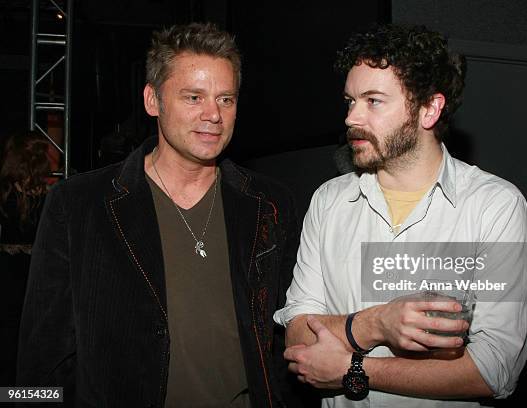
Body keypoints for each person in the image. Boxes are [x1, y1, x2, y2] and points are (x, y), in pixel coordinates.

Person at [17, 22, 308, 407]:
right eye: (193, 97)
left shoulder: (271, 205)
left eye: (226, 99)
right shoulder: (78, 205)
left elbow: (285, 341)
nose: (213, 115)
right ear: (152, 100)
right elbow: (39, 365)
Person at [274, 24, 527, 407]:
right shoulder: (328, 202)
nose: (351, 117)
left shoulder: (495, 207)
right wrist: (376, 324)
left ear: (429, 108)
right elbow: (297, 336)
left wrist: (353, 368)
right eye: (350, 101)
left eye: (373, 101)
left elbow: (495, 369)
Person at [0, 131, 51, 386]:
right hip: (26, 272)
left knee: (16, 337)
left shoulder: (40, 195)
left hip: (19, 272)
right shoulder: (44, 196)